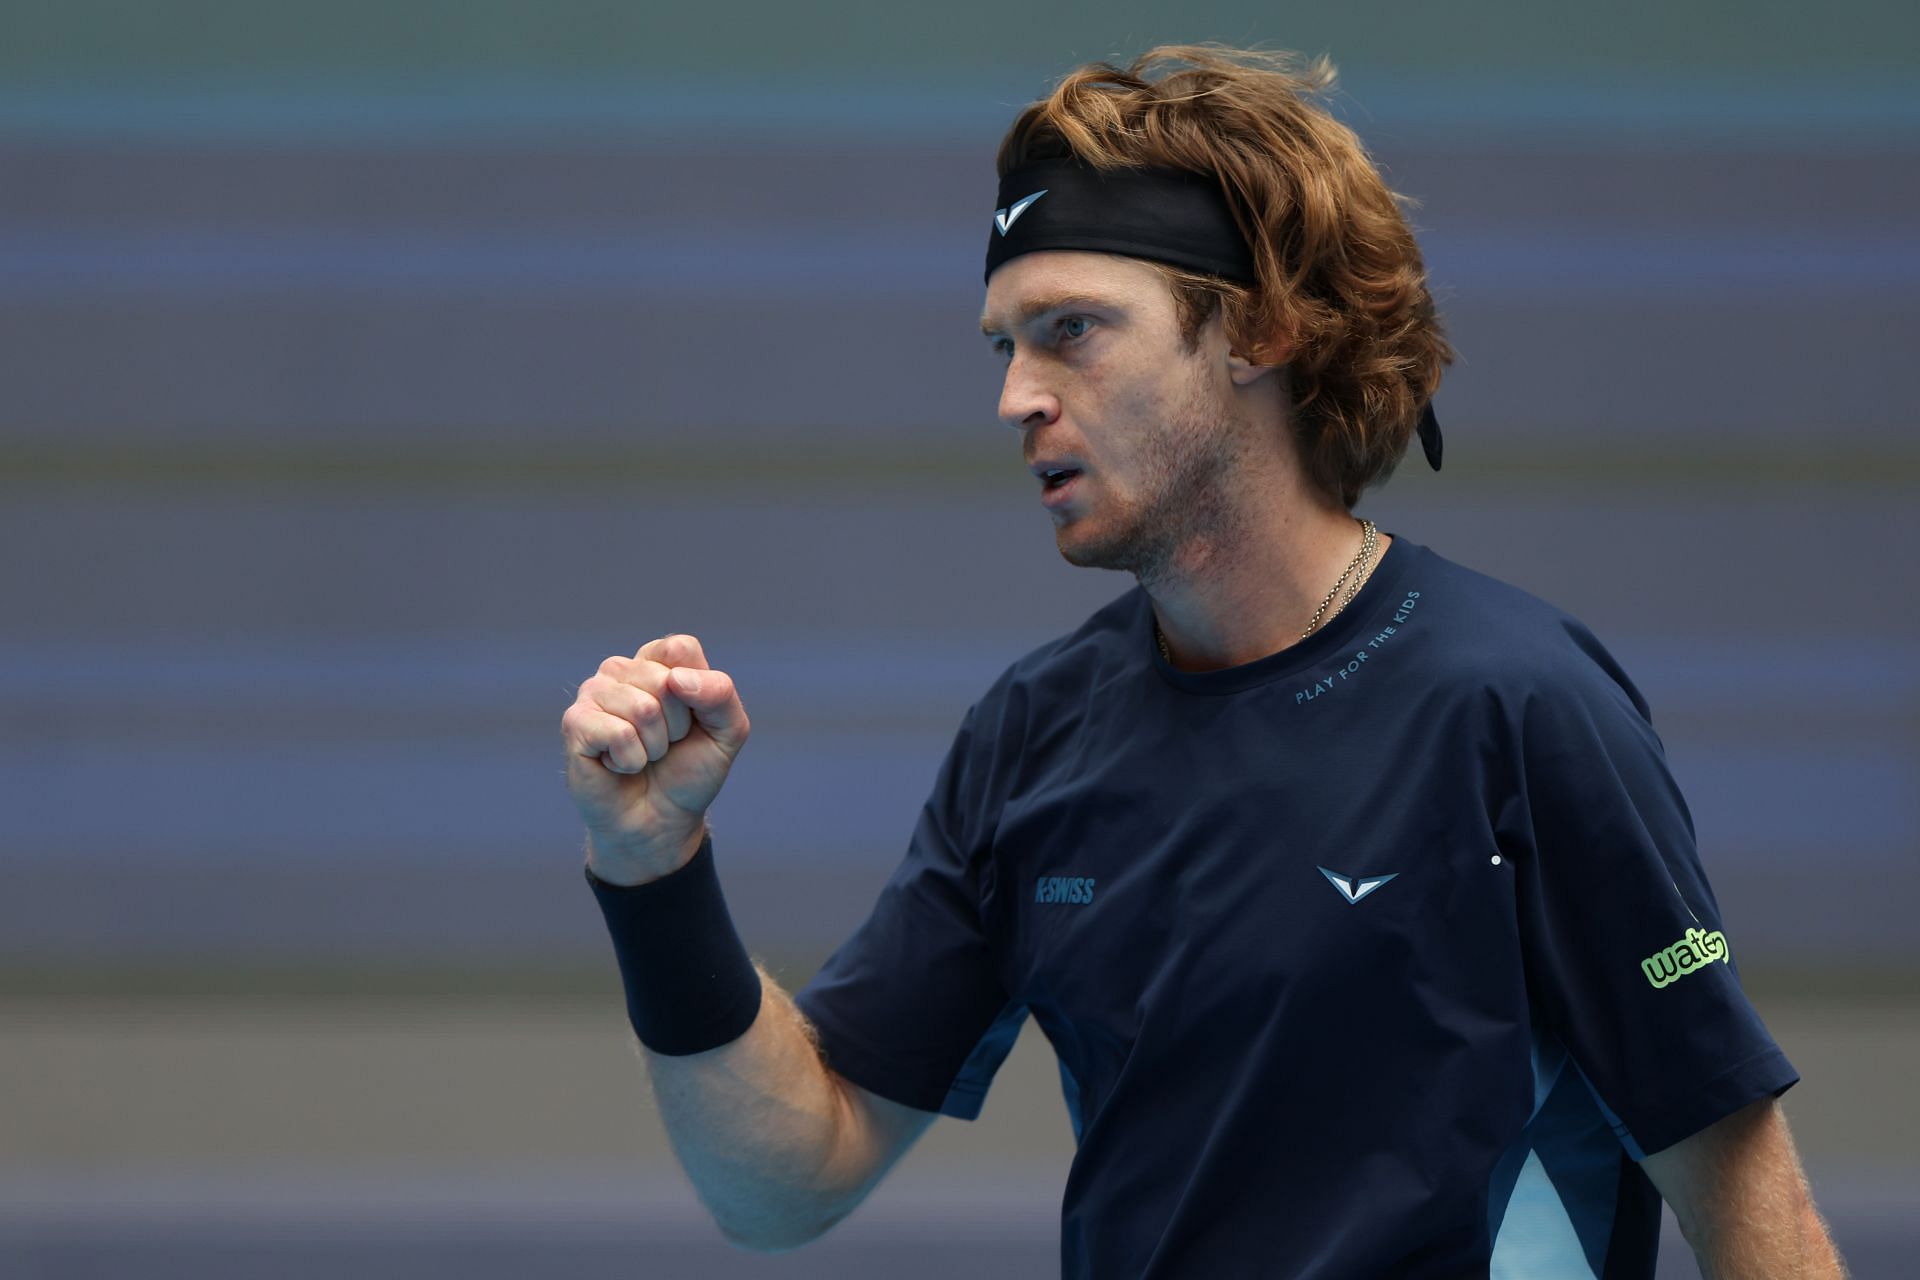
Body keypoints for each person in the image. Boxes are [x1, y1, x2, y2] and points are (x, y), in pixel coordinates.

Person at [560, 43, 1849, 1279]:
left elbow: (1743, 1188)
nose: (1016, 396)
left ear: (1261, 330)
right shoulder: (1033, 734)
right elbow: (784, 1183)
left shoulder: (1518, 704)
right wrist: (651, 871)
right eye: (1004, 345)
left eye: (1072, 330)